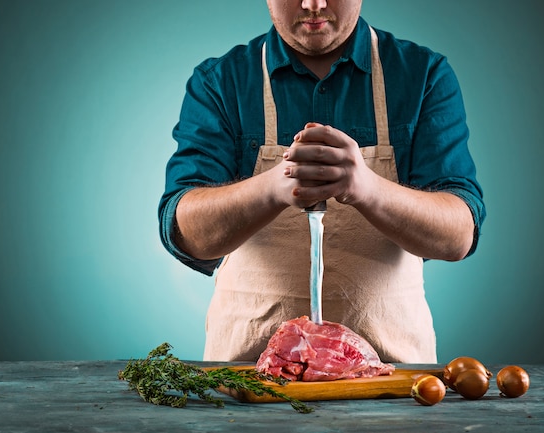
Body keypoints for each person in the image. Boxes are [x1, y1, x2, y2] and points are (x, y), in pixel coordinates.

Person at [158, 0, 485, 363]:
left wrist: (368, 189)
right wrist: (273, 187)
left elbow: (458, 234)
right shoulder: (221, 81)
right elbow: (189, 235)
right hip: (248, 380)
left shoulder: (423, 75)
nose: (314, 4)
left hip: (393, 383)